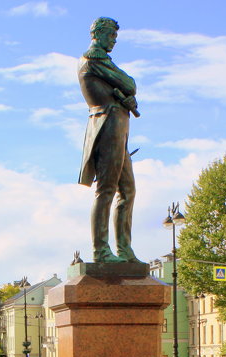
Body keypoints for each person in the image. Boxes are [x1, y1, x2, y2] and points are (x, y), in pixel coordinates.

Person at [78, 16, 140, 264]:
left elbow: (126, 90)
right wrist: (126, 95)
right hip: (107, 123)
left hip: (119, 125)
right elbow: (130, 84)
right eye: (111, 35)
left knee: (127, 190)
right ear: (98, 34)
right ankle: (101, 251)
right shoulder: (93, 59)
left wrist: (127, 100)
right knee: (106, 189)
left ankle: (124, 249)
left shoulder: (104, 62)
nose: (114, 40)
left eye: (115, 36)